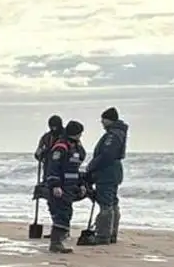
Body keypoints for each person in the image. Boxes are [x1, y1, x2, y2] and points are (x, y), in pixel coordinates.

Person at [78, 106, 127, 245]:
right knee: (112, 203)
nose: (102, 122)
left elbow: (106, 155)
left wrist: (92, 167)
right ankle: (111, 234)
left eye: (103, 120)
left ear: (109, 120)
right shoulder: (118, 133)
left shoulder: (112, 136)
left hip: (107, 172)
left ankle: (103, 235)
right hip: (113, 172)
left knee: (106, 203)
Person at [44, 120, 88, 253]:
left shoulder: (74, 147)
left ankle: (59, 241)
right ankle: (56, 243)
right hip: (61, 186)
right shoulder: (61, 147)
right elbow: (53, 168)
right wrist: (55, 185)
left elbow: (76, 167)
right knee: (61, 213)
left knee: (66, 213)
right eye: (79, 134)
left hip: (70, 186)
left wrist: (81, 184)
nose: (80, 136)